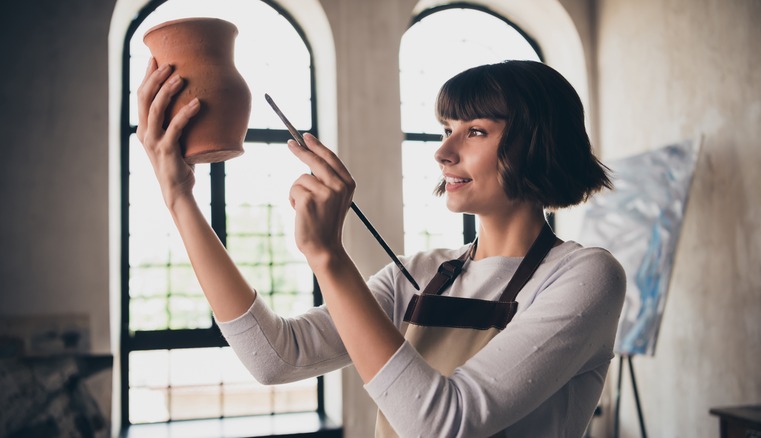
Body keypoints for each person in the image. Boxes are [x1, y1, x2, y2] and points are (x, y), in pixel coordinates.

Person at [137, 59, 626, 437]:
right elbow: (276, 357)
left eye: (475, 131)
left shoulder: (585, 275)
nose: (443, 151)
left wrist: (328, 257)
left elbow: (443, 423)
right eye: (445, 129)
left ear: (539, 143)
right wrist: (179, 197)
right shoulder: (420, 273)